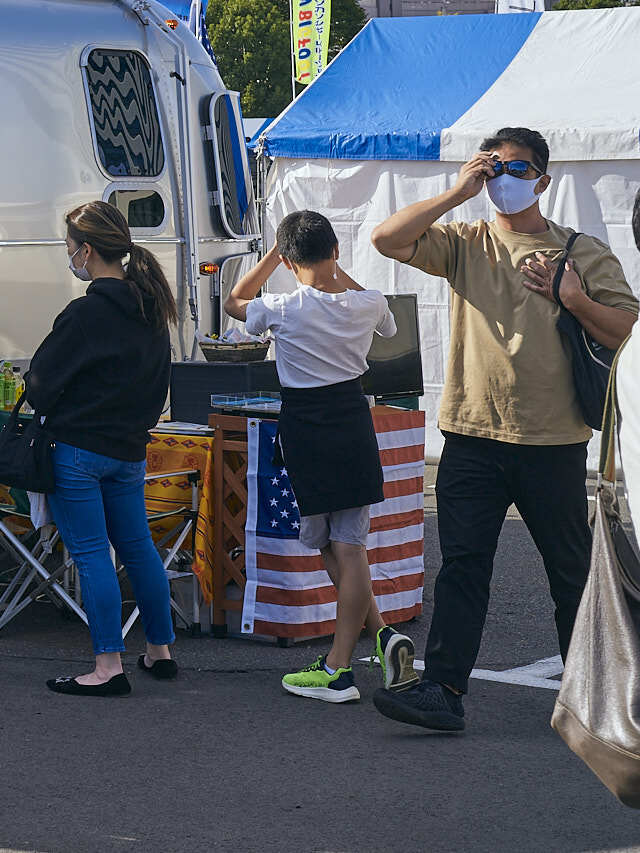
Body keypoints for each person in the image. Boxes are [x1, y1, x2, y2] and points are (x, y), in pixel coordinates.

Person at [369, 127, 637, 732]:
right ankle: (441, 690)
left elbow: (627, 331)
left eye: (517, 170)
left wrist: (574, 299)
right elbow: (386, 238)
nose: (503, 180)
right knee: (462, 567)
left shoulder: (580, 251)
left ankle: (593, 701)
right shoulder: (466, 241)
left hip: (553, 442)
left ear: (542, 181)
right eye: (493, 168)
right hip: (471, 434)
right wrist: (457, 190)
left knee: (570, 574)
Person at [225, 211, 418, 704]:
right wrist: (335, 270)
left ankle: (337, 667)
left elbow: (234, 302)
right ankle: (384, 636)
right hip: (352, 423)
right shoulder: (368, 302)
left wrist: (273, 253)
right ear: (335, 250)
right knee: (342, 544)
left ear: (289, 262)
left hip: (305, 432)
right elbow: (390, 326)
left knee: (336, 547)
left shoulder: (284, 307)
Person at [27, 200, 179, 697]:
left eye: (69, 248)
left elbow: (41, 384)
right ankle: (160, 651)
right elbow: (160, 386)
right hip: (129, 450)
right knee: (138, 548)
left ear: (87, 251)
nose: (69, 255)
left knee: (92, 553)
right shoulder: (152, 307)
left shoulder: (84, 313)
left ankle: (107, 665)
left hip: (78, 450)